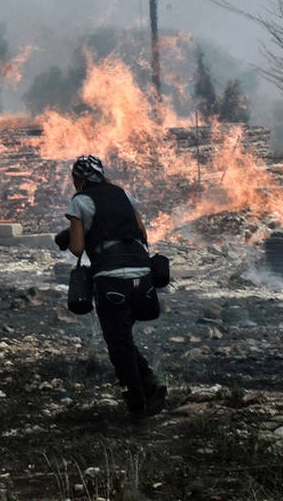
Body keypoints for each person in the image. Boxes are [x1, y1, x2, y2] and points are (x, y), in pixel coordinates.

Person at [55, 155, 166, 419]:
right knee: (122, 338)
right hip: (143, 276)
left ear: (79, 178)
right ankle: (150, 382)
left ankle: (138, 406)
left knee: (118, 345)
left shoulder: (80, 201)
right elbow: (142, 233)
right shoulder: (122, 194)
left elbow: (77, 248)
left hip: (111, 280)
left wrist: (73, 233)